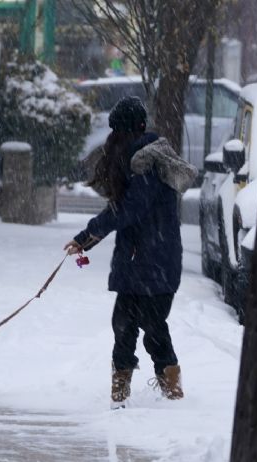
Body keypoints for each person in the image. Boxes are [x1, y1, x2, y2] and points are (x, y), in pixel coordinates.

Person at [65, 96, 197, 409]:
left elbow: (127, 211)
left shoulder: (145, 164)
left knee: (152, 328)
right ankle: (119, 392)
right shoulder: (135, 160)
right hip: (139, 260)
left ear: (125, 131)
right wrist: (87, 239)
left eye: (115, 132)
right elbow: (122, 210)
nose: (110, 139)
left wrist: (87, 235)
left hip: (155, 261)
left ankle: (172, 393)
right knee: (123, 325)